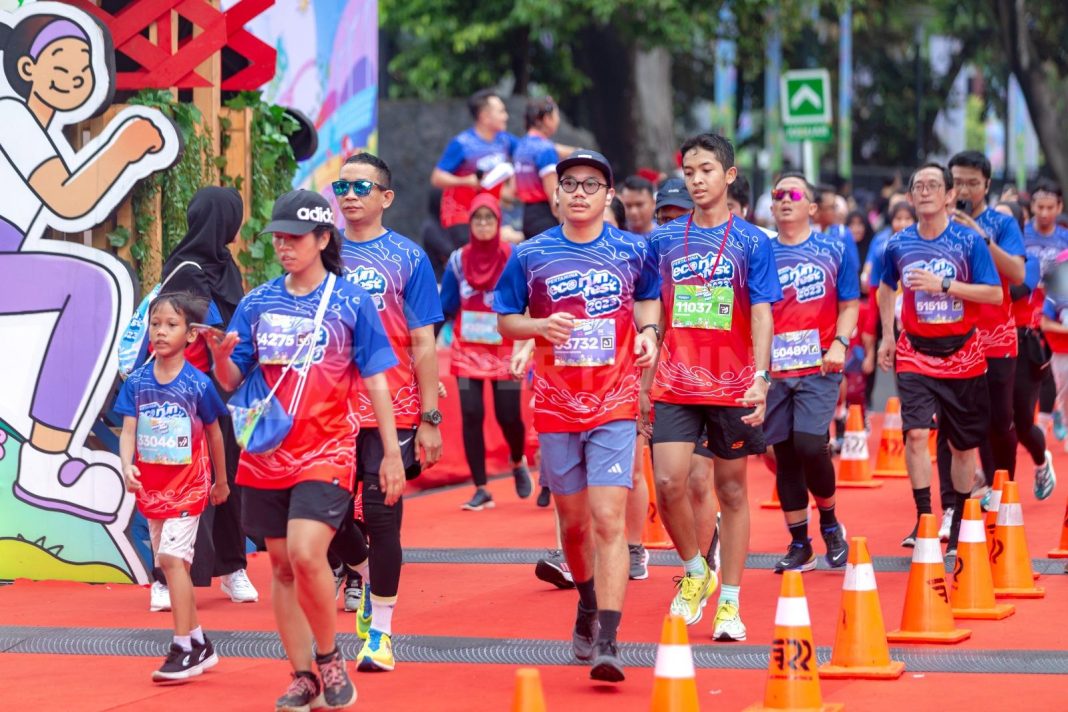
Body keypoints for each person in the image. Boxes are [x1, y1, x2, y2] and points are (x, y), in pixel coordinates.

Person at [204, 189, 401, 710]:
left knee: (306, 552)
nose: (285, 247)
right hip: (265, 451)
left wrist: (392, 452)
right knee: (281, 566)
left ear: (322, 239)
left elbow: (378, 379)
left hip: (328, 450)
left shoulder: (350, 301)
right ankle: (302, 676)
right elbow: (231, 379)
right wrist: (221, 357)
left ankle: (330, 659)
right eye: (279, 238)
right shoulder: (257, 302)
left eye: (295, 238)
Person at [494, 149, 660, 682]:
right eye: (571, 183)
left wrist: (650, 333)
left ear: (608, 195)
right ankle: (587, 600)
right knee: (574, 525)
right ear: (556, 194)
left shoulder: (634, 252)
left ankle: (609, 637)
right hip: (557, 405)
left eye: (593, 184)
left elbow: (650, 301)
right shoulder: (530, 256)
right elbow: (505, 321)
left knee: (610, 520)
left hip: (613, 401)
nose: (581, 192)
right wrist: (538, 330)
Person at [644, 133, 781, 641]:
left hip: (733, 384)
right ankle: (695, 571)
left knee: (731, 490)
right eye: (689, 171)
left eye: (706, 170)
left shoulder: (753, 242)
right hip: (676, 381)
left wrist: (762, 377)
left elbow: (764, 312)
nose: (696, 180)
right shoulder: (661, 241)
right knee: (670, 481)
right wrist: (648, 351)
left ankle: (730, 601)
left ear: (728, 176)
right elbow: (649, 304)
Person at [333, 152, 444, 672]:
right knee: (326, 515)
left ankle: (380, 631)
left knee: (381, 517)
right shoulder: (320, 254)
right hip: (326, 410)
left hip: (392, 411)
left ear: (386, 197)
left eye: (361, 186)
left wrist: (429, 415)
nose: (350, 194)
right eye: (343, 186)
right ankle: (360, 568)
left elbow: (424, 338)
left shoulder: (408, 258)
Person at [876, 162, 1002, 557]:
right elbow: (884, 288)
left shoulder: (968, 243)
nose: (925, 191)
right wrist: (887, 336)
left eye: (933, 185)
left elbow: (994, 294)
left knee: (964, 447)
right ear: (911, 197)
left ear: (949, 195)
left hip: (963, 354)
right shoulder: (897, 244)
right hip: (915, 350)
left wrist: (944, 285)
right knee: (915, 434)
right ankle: (925, 516)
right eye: (918, 186)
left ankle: (962, 520)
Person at [146, 187, 258, 614]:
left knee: (226, 480)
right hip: (182, 395)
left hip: (223, 392)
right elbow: (178, 334)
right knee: (179, 485)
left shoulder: (223, 265)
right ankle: (164, 576)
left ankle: (232, 568)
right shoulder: (186, 269)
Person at [117, 292, 229, 682]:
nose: (161, 332)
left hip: (190, 487)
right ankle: (199, 641)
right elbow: (128, 429)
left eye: (172, 325)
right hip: (152, 490)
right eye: (156, 324)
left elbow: (216, 433)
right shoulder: (137, 383)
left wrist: (221, 480)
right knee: (173, 562)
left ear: (191, 336)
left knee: (169, 560)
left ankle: (182, 646)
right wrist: (126, 465)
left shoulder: (198, 385)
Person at [932, 151, 1032, 540]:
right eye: (958, 182)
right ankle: (950, 509)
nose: (965, 189)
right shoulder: (936, 227)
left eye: (974, 182)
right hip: (953, 340)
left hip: (997, 338)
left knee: (998, 422)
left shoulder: (1001, 223)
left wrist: (981, 236)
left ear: (987, 185)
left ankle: (1002, 488)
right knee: (948, 426)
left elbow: (1019, 273)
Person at [764, 173, 857, 572]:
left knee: (808, 443)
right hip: (773, 369)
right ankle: (800, 544)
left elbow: (850, 303)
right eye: (778, 195)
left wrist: (840, 342)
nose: (785, 200)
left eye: (794, 194)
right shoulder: (761, 254)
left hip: (819, 365)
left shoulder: (836, 249)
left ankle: (831, 522)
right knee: (783, 453)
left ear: (812, 208)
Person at [440, 194, 532, 510]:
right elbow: (447, 304)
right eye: (477, 219)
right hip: (467, 351)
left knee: (508, 414)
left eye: (488, 219)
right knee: (471, 413)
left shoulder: (513, 257)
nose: (482, 225)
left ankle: (518, 460)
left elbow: (524, 299)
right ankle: (481, 488)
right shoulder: (457, 260)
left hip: (504, 348)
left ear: (498, 222)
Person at [431, 89, 517, 252]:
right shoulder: (462, 143)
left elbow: (528, 152)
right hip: (462, 216)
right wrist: (466, 181)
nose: (506, 116)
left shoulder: (505, 140)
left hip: (491, 213)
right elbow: (437, 178)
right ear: (484, 116)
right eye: (501, 111)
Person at [514, 96, 562, 238]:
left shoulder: (520, 146)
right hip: (545, 217)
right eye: (556, 115)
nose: (558, 120)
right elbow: (553, 194)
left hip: (526, 216)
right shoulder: (546, 149)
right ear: (547, 119)